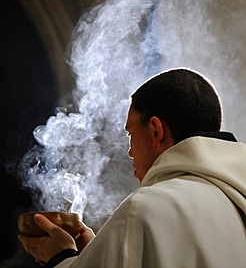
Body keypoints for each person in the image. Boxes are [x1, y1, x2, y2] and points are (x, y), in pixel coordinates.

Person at [19, 68, 246, 268]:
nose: (130, 152)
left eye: (131, 134)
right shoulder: (236, 199)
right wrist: (100, 254)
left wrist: (61, 258)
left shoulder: (145, 209)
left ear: (156, 131)